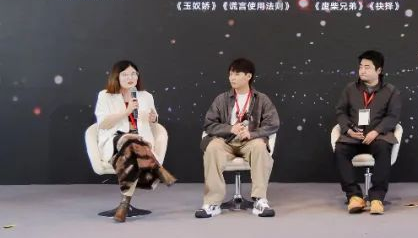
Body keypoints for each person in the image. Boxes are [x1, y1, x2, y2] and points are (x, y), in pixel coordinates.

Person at [196, 58, 280, 219]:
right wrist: (230, 129)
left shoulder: (261, 99)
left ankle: (260, 200)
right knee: (212, 147)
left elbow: (273, 123)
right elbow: (209, 124)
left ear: (248, 76)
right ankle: (212, 203)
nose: (232, 78)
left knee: (259, 146)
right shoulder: (221, 99)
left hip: (249, 142)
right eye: (230, 74)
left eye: (236, 74)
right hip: (226, 142)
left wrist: (252, 134)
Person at [94, 60, 176, 222]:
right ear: (116, 77)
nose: (130, 78)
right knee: (129, 140)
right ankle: (157, 168)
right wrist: (126, 112)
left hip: (141, 142)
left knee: (132, 144)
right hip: (114, 141)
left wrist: (153, 118)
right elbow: (103, 124)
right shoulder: (105, 96)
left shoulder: (146, 96)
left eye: (133, 74)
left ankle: (124, 204)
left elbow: (154, 119)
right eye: (125, 74)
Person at [333, 50, 402, 215]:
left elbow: (393, 116)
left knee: (383, 148)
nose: (362, 71)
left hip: (378, 136)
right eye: (360, 67)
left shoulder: (391, 91)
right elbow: (340, 112)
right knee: (340, 150)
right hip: (354, 136)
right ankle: (354, 196)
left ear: (379, 70)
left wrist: (377, 131)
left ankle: (377, 197)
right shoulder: (350, 89)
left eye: (367, 67)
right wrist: (348, 130)